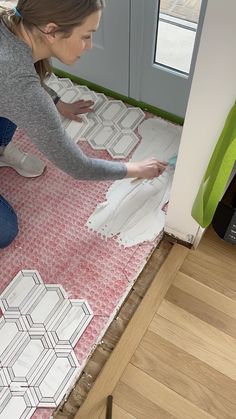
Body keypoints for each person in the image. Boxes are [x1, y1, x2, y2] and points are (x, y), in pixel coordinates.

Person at [0, 0, 167, 249]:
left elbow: (17, 80)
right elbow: (78, 166)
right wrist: (135, 169)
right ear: (51, 30)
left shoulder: (10, 23)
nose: (89, 46)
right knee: (5, 232)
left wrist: (56, 102)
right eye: (86, 36)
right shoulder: (19, 85)